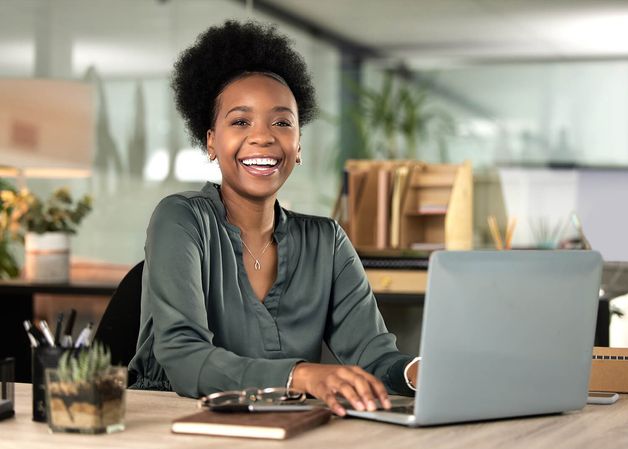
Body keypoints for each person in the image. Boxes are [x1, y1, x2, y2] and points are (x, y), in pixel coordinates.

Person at [128, 20, 419, 417]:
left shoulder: (327, 241)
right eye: (240, 121)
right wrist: (301, 376)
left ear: (298, 145)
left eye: (282, 122)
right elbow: (184, 357)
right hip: (173, 422)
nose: (263, 137)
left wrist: (416, 372)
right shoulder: (181, 219)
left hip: (283, 426)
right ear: (211, 141)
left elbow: (374, 354)